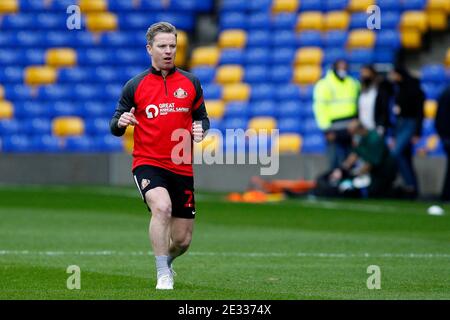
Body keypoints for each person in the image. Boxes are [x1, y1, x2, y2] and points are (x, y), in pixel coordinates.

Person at [110, 22, 210, 290]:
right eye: (162, 46)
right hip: (148, 162)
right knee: (162, 207)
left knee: (182, 240)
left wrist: (200, 128)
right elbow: (115, 125)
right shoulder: (135, 85)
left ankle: (168, 260)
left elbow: (202, 117)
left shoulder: (191, 83)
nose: (168, 51)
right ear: (149, 49)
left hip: (181, 166)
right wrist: (122, 122)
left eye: (172, 46)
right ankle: (162, 273)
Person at [315, 120, 397, 198]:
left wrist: (354, 174)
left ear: (359, 130)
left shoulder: (374, 139)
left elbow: (371, 163)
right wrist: (341, 169)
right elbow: (355, 155)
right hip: (370, 172)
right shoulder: (362, 139)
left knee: (357, 188)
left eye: (353, 133)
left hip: (381, 175)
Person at [313, 59, 360, 170]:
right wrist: (326, 129)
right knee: (334, 160)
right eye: (340, 68)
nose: (343, 70)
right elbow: (320, 108)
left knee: (351, 160)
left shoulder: (353, 83)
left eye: (345, 68)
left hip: (351, 128)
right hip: (334, 128)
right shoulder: (324, 85)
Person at [388, 65, 425, 198]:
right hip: (400, 123)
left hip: (409, 123)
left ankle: (410, 185)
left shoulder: (415, 90)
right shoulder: (398, 89)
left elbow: (420, 113)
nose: (392, 77)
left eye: (394, 74)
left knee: (395, 153)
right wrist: (392, 133)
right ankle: (412, 188)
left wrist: (417, 132)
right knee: (405, 157)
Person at [358, 65, 393, 136]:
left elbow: (383, 108)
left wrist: (381, 125)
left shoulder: (380, 89)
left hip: (375, 127)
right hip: (362, 128)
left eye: (366, 73)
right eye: (362, 73)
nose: (364, 75)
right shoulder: (361, 90)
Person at [435, 84, 450, 202]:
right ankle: (446, 195)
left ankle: (446, 195)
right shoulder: (447, 93)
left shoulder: (445, 92)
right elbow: (441, 117)